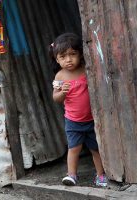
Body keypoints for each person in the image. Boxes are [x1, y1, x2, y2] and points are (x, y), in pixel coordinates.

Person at [50, 33, 107, 187]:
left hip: (92, 120)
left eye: (72, 54)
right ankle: (72, 175)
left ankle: (101, 175)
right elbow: (55, 98)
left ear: (80, 54)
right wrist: (62, 92)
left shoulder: (86, 70)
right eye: (63, 56)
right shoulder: (60, 76)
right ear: (57, 59)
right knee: (74, 148)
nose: (68, 60)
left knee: (95, 149)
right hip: (73, 121)